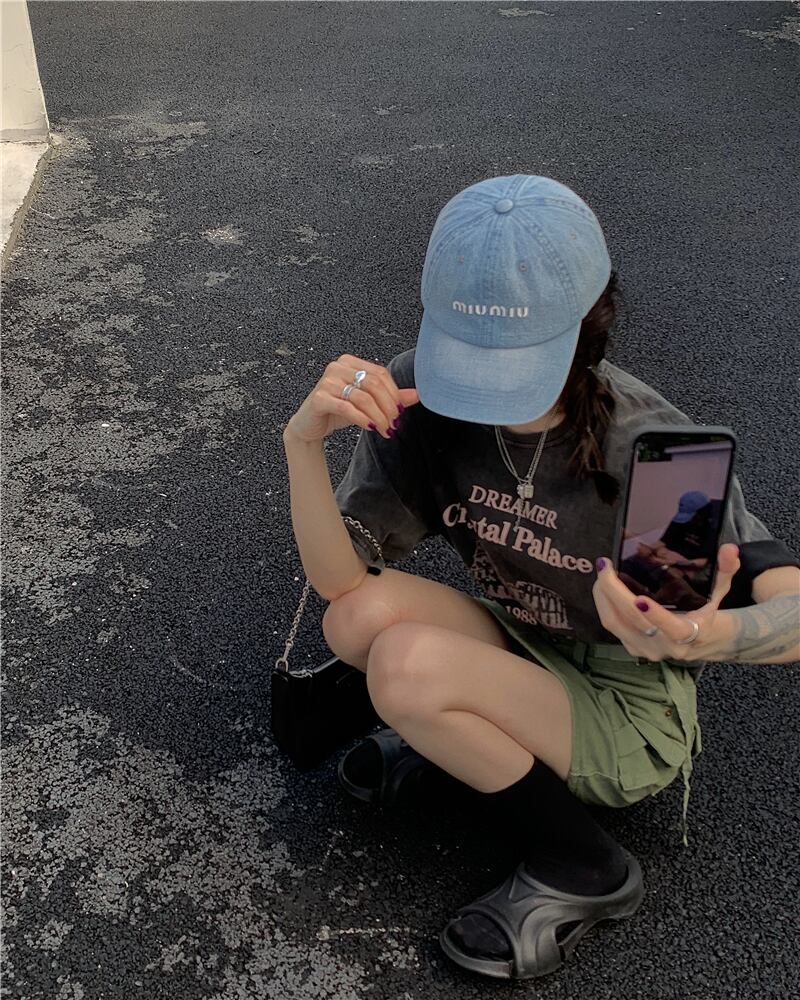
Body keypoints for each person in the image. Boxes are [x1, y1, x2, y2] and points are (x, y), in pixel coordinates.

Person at [281, 175, 800, 981]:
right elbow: (339, 581)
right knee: (354, 620)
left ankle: (585, 864)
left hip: (627, 704)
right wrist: (301, 445)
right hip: (530, 643)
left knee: (405, 668)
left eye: (515, 362)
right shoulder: (425, 396)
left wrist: (706, 634)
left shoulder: (649, 446)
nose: (486, 391)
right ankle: (456, 734)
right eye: (471, 353)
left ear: (590, 326)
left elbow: (790, 603)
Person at [619, 491, 718, 610]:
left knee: (666, 574)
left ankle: (651, 599)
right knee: (634, 561)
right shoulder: (680, 521)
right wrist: (647, 548)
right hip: (669, 558)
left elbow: (701, 562)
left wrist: (672, 562)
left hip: (691, 567)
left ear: (701, 514)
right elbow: (663, 542)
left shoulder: (711, 532)